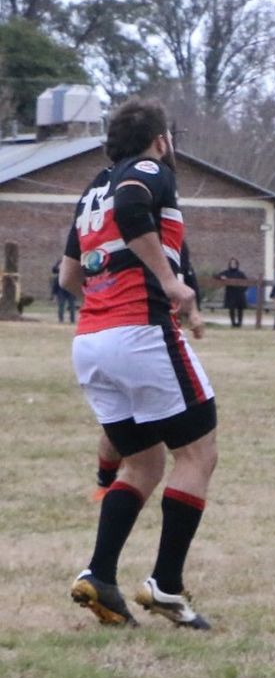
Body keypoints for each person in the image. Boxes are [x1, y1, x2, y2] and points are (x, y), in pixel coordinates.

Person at [60, 98, 217, 629]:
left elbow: (66, 277)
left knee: (142, 462)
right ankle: (166, 586)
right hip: (140, 330)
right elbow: (132, 207)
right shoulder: (149, 170)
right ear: (161, 140)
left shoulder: (89, 191)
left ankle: (100, 575)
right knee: (198, 453)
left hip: (92, 340)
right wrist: (170, 284)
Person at [215, 258, 248, 328]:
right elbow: (216, 276)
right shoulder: (226, 273)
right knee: (231, 309)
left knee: (240, 309)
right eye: (232, 263)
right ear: (230, 264)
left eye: (234, 263)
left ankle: (239, 323)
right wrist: (221, 277)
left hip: (239, 294)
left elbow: (246, 282)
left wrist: (242, 290)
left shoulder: (240, 273)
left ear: (237, 264)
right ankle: (233, 323)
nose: (233, 265)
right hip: (231, 294)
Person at [51, 257, 79, 323]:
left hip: (71, 289)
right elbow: (54, 270)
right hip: (61, 289)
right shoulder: (60, 262)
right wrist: (59, 267)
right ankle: (61, 320)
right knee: (61, 305)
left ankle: (72, 320)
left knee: (72, 306)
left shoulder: (72, 264)